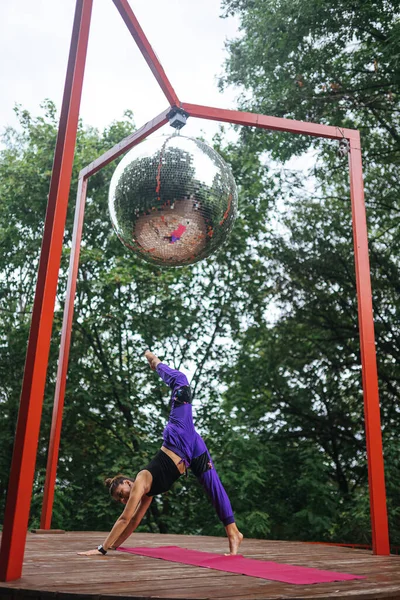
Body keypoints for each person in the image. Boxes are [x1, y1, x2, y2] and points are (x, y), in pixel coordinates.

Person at [78, 350, 243, 557]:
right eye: (119, 500)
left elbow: (124, 518)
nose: (123, 500)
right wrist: (114, 545)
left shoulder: (141, 480)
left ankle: (154, 362)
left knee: (181, 381)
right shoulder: (147, 493)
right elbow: (135, 522)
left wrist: (101, 549)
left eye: (121, 494)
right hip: (191, 451)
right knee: (213, 487)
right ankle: (233, 533)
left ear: (128, 484)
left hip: (178, 435)